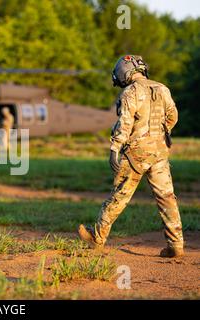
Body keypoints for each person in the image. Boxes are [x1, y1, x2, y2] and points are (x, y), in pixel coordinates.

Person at [78, 55, 184, 258]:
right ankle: (176, 245)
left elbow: (125, 123)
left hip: (136, 153)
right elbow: (173, 116)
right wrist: (161, 134)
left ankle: (97, 238)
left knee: (120, 195)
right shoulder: (162, 88)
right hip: (160, 152)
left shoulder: (130, 92)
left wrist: (114, 148)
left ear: (124, 72)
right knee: (167, 197)